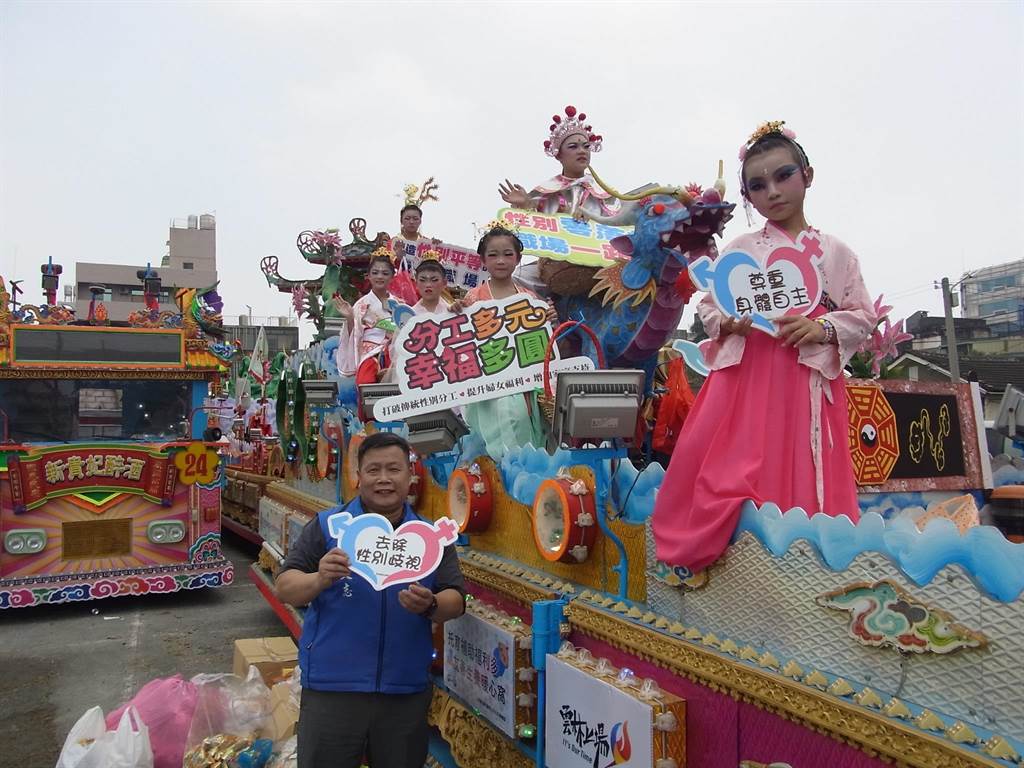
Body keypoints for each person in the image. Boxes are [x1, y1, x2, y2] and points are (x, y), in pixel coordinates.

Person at [651, 121, 876, 574]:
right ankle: (732, 560)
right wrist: (727, 323)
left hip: (805, 380)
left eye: (783, 176)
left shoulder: (837, 253)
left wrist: (824, 328)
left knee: (802, 465)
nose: (772, 191)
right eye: (758, 185)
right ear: (749, 197)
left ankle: (804, 562)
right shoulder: (741, 249)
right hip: (748, 378)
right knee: (727, 470)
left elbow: (862, 315)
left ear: (807, 175)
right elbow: (712, 306)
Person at [276, 431, 465, 768]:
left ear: (410, 477)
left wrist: (431, 605)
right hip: (332, 688)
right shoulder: (329, 527)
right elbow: (286, 586)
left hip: (403, 691)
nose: (383, 479)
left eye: (393, 469)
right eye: (373, 470)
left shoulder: (429, 538)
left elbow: (456, 598)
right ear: (358, 475)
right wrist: (319, 578)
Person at [452, 225, 557, 458]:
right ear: (483, 260)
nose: (501, 261)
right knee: (495, 431)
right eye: (493, 255)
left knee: (524, 424)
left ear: (518, 258)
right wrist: (455, 314)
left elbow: (542, 342)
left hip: (524, 382)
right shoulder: (473, 298)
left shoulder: (529, 298)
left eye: (508, 254)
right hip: (489, 381)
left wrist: (550, 318)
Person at [498, 105, 621, 221]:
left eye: (586, 146)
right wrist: (526, 204)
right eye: (573, 147)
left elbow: (618, 226)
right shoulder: (545, 192)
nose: (582, 151)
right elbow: (531, 228)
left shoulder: (605, 194)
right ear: (559, 155)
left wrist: (593, 220)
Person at [334, 253, 398, 381]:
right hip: (370, 352)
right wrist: (350, 317)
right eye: (375, 273)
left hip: (395, 351)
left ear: (392, 277)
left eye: (385, 273)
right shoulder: (361, 305)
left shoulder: (399, 304)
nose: (380, 276)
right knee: (365, 380)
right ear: (368, 276)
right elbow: (355, 334)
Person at [390, 204, 442, 273]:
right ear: (401, 221)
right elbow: (387, 267)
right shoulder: (393, 243)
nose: (411, 222)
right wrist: (398, 259)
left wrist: (438, 248)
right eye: (407, 218)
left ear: (420, 221)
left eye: (415, 218)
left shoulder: (427, 244)